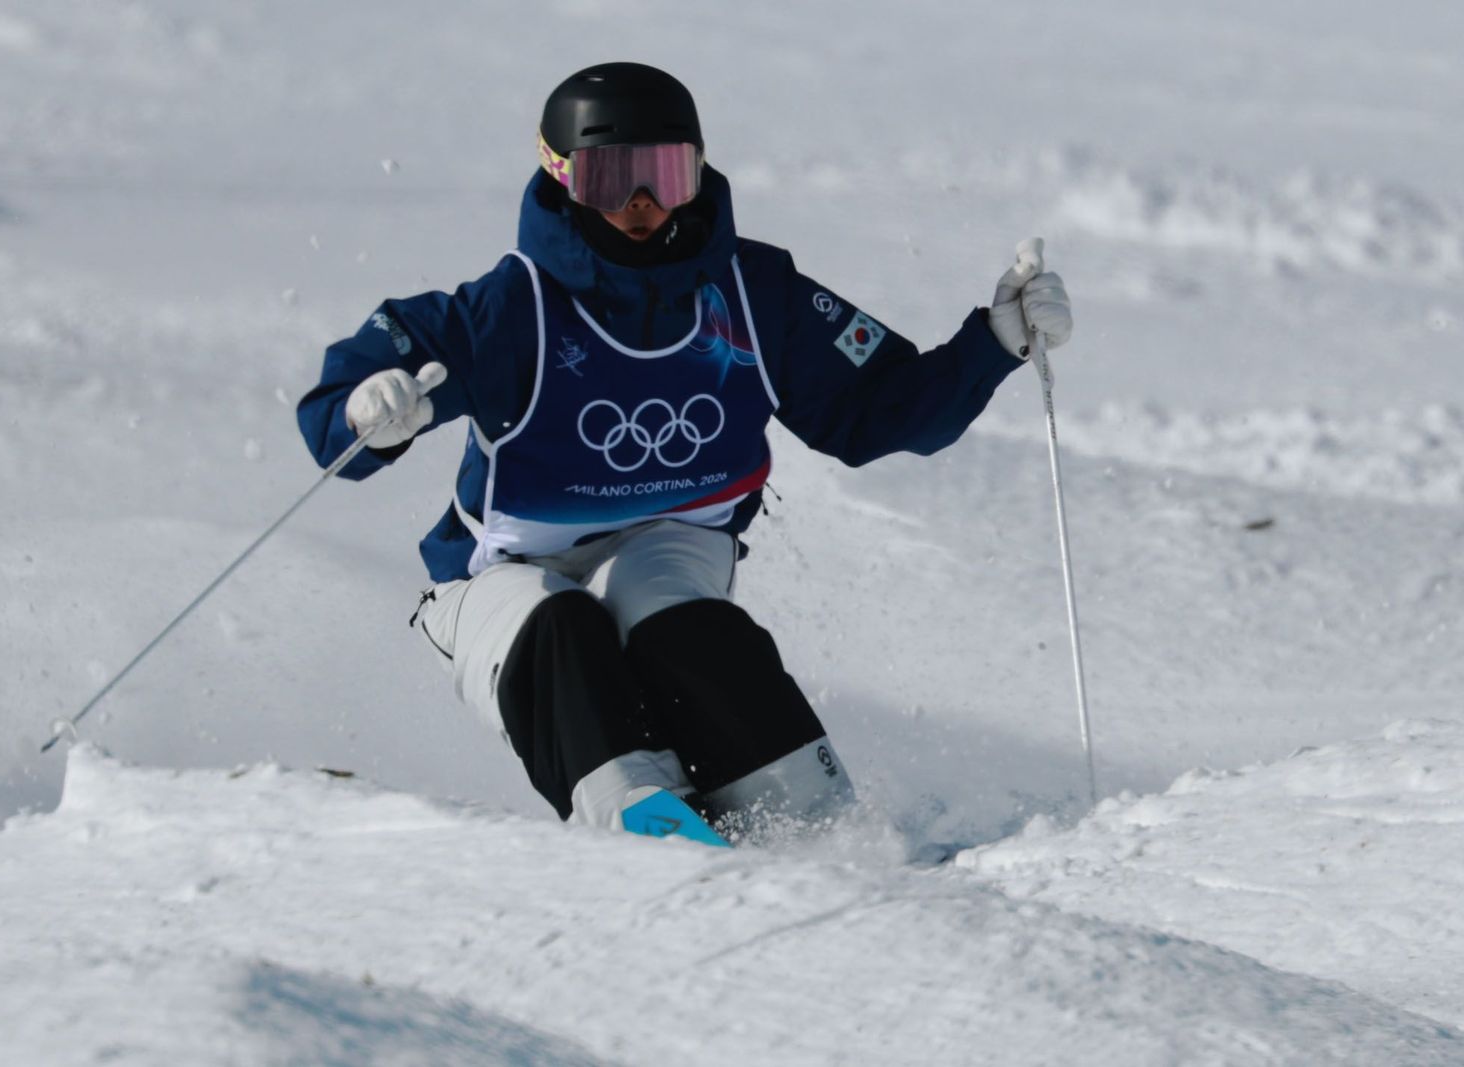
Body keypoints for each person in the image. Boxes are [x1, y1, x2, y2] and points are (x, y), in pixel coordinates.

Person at [298, 62, 1072, 846]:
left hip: (670, 545)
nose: (641, 204)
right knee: (561, 624)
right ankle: (646, 824)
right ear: (563, 177)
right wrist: (366, 410)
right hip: (503, 574)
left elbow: (878, 411)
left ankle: (814, 823)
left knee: (681, 625)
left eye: (665, 175)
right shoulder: (514, 308)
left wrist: (994, 343)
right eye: (611, 179)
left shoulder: (752, 293)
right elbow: (348, 407)